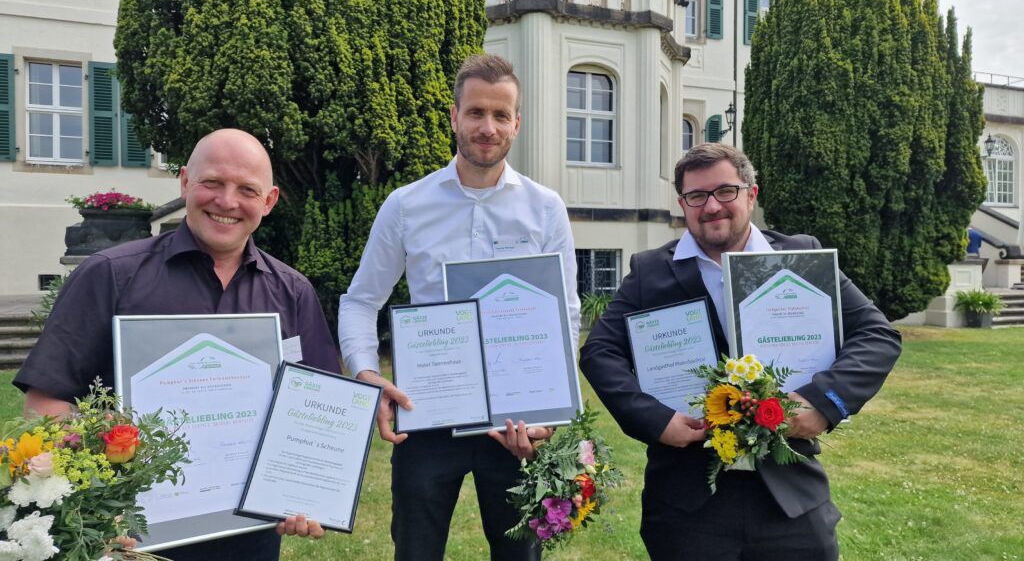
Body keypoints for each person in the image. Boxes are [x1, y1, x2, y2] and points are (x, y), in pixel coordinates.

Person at [15, 128, 336, 559]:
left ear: (269, 201)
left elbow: (318, 410)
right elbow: (47, 401)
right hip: (128, 537)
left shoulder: (292, 291)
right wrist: (92, 501)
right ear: (185, 181)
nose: (226, 201)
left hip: (251, 537)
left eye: (246, 189)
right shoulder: (109, 275)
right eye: (212, 183)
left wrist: (305, 491)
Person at [580, 143, 901, 560]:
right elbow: (599, 352)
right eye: (697, 196)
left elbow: (877, 335)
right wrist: (657, 421)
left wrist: (824, 402)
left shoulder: (801, 258)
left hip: (791, 498)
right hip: (687, 503)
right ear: (683, 205)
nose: (712, 206)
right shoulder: (650, 272)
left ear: (751, 194)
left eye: (725, 191)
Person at [338, 53, 580, 561]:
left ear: (517, 123)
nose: (486, 127)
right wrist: (366, 375)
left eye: (499, 115)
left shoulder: (545, 208)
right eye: (475, 113)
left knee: (520, 555)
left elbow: (565, 312)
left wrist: (553, 411)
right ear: (454, 117)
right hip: (427, 414)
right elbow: (361, 301)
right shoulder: (406, 205)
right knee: (417, 551)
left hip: (516, 422)